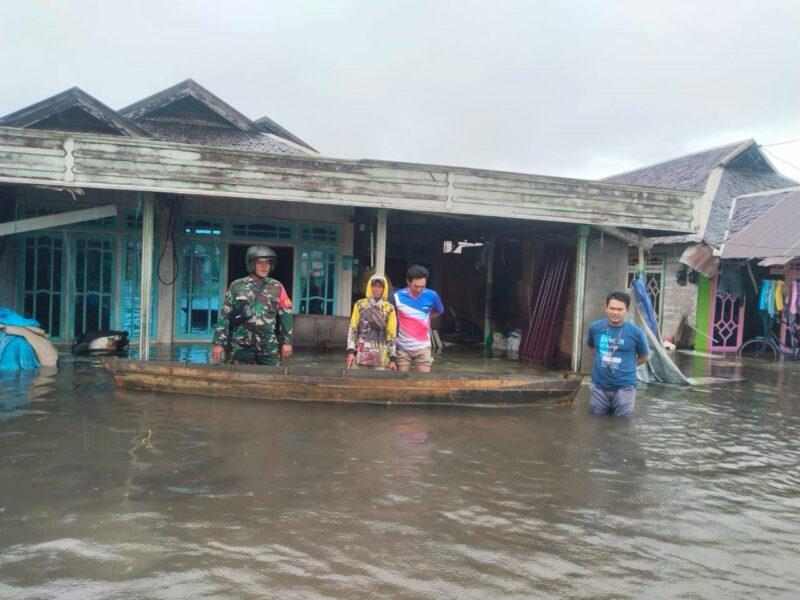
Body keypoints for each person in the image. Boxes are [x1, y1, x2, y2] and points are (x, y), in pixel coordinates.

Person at [211, 246, 293, 365]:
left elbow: (286, 316)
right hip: (241, 346)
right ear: (251, 264)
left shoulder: (277, 287)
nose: (265, 266)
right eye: (260, 262)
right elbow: (225, 315)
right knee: (238, 378)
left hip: (268, 345)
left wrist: (287, 342)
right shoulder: (237, 286)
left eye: (268, 263)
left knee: (273, 379)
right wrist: (218, 343)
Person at [586, 291, 650, 418]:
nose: (615, 312)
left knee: (621, 424)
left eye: (620, 309)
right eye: (612, 308)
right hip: (599, 386)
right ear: (606, 308)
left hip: (625, 387)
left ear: (626, 310)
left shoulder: (636, 333)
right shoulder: (595, 328)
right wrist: (603, 361)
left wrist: (628, 366)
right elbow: (592, 348)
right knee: (596, 421)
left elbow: (645, 357)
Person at [393, 265, 444, 372]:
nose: (419, 289)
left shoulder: (432, 295)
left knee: (424, 381)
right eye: (416, 286)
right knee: (402, 381)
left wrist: (424, 318)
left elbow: (439, 311)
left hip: (423, 347)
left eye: (422, 286)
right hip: (402, 347)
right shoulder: (397, 297)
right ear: (408, 282)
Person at [346, 274, 398, 370]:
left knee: (378, 384)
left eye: (380, 286)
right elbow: (353, 329)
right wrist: (350, 352)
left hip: (381, 356)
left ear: (384, 288)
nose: (377, 289)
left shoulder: (389, 308)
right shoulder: (359, 305)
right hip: (361, 353)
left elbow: (391, 334)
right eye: (374, 285)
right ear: (370, 287)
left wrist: (393, 359)